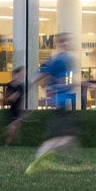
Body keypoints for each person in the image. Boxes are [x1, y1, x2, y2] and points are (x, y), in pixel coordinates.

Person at [27, 33, 81, 173]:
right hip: (63, 104)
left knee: (65, 137)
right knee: (67, 138)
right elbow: (72, 80)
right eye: (67, 42)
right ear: (61, 43)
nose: (69, 44)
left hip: (59, 103)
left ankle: (39, 159)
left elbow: (37, 78)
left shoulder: (52, 61)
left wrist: (47, 88)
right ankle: (40, 158)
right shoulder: (65, 59)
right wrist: (88, 84)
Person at [2, 67, 27, 146]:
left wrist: (22, 110)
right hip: (12, 109)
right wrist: (11, 97)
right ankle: (7, 144)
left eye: (22, 75)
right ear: (15, 75)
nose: (21, 76)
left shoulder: (21, 87)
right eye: (19, 75)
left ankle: (11, 143)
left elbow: (21, 99)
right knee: (12, 128)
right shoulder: (9, 85)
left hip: (18, 109)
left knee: (16, 129)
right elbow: (7, 99)